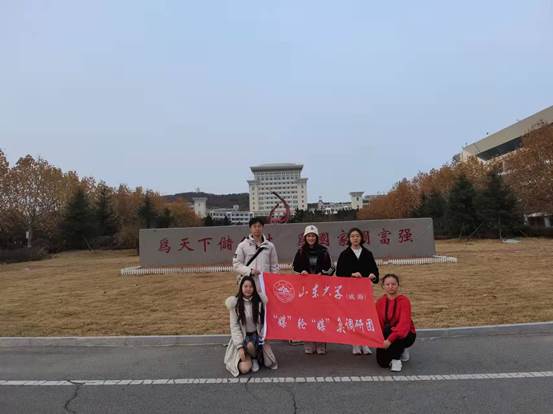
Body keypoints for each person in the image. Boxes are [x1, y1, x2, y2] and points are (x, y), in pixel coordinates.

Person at [336, 227, 379, 355]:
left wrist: (373, 275)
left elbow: (375, 271)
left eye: (357, 236)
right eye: (352, 236)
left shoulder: (367, 253)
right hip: (350, 290)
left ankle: (365, 344)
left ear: (361, 238)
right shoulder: (344, 254)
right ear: (349, 239)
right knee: (352, 316)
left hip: (364, 291)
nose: (355, 238)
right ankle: (355, 343)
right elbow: (339, 273)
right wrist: (351, 274)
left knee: (364, 316)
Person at [292, 224, 335, 355]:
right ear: (305, 237)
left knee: (321, 315)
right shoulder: (300, 251)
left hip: (320, 289)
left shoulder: (324, 251)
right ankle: (308, 342)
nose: (311, 238)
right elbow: (294, 269)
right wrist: (302, 272)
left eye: (313, 236)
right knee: (307, 315)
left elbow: (331, 268)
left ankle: (321, 342)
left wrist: (323, 273)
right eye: (308, 236)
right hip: (305, 289)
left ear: (317, 237)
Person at [224, 275, 278, 377]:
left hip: (257, 336)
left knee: (269, 363)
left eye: (251, 286)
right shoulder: (235, 304)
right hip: (243, 337)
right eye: (245, 286)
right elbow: (234, 326)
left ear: (254, 288)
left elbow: (264, 322)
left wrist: (264, 335)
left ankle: (256, 357)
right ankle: (251, 357)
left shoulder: (259, 302)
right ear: (241, 287)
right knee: (244, 369)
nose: (248, 289)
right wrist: (239, 347)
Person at [375, 273, 416, 372]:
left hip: (405, 334)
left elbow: (404, 325)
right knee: (382, 363)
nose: (390, 287)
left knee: (397, 335)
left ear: (398, 285)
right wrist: (380, 339)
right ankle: (395, 352)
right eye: (387, 284)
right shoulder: (380, 302)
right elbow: (378, 323)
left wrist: (389, 340)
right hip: (387, 332)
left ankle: (397, 358)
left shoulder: (404, 301)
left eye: (393, 284)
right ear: (383, 286)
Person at [233, 217, 280, 287]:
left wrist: (274, 281)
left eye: (259, 226)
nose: (257, 229)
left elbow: (274, 266)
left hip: (265, 284)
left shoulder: (270, 246)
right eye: (254, 226)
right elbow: (236, 264)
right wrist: (250, 271)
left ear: (262, 228)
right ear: (250, 228)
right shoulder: (242, 245)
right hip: (248, 284)